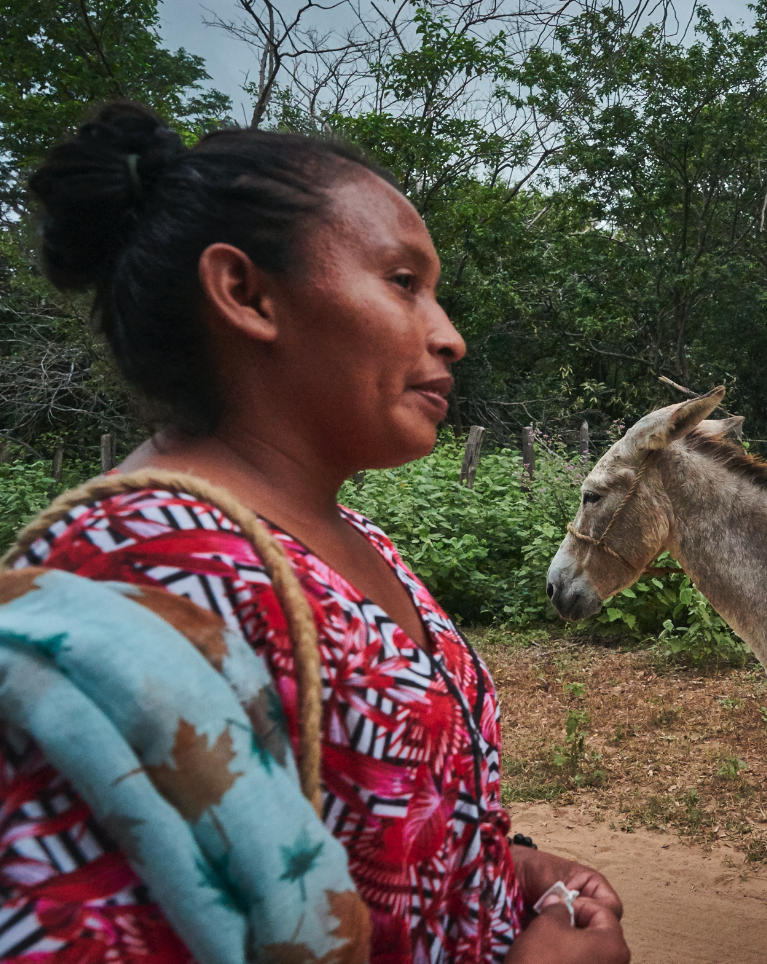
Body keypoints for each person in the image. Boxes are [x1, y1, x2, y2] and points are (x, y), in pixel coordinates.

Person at [0, 101, 629, 964]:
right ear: (247, 293)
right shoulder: (143, 567)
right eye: (404, 282)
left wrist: (505, 869)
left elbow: (356, 825)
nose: (451, 336)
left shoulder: (351, 541)